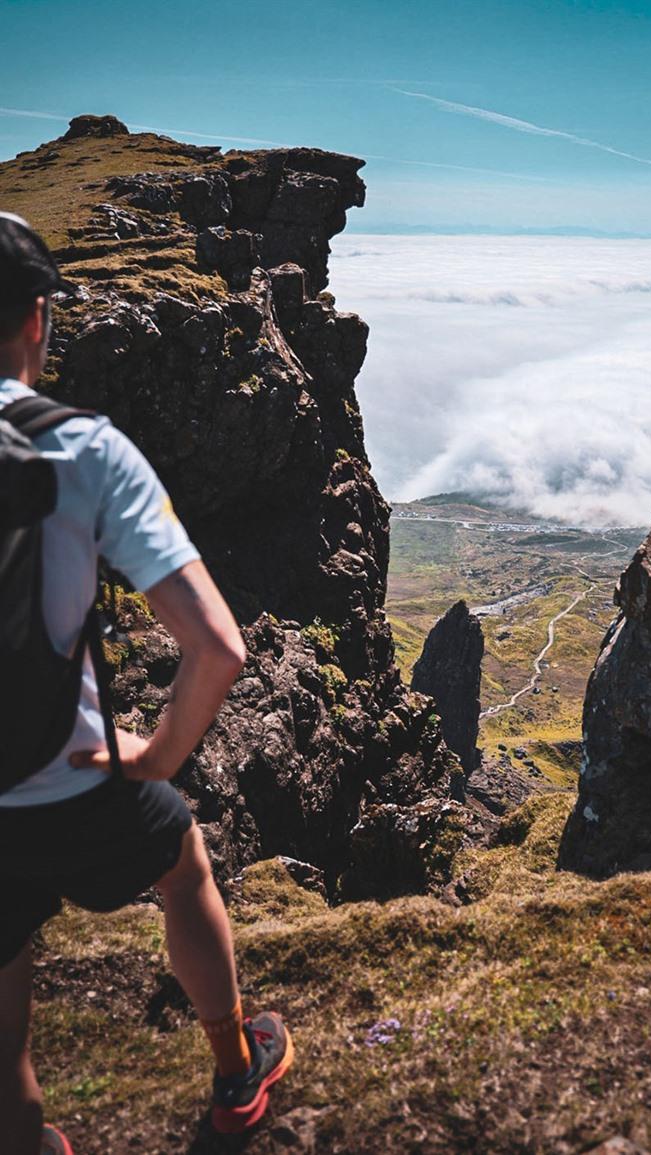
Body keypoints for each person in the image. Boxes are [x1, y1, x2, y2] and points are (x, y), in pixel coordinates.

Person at [0, 212, 293, 1155]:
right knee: (183, 866)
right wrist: (153, 755)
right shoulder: (84, 451)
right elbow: (219, 647)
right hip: (79, 781)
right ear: (39, 317)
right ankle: (237, 1070)